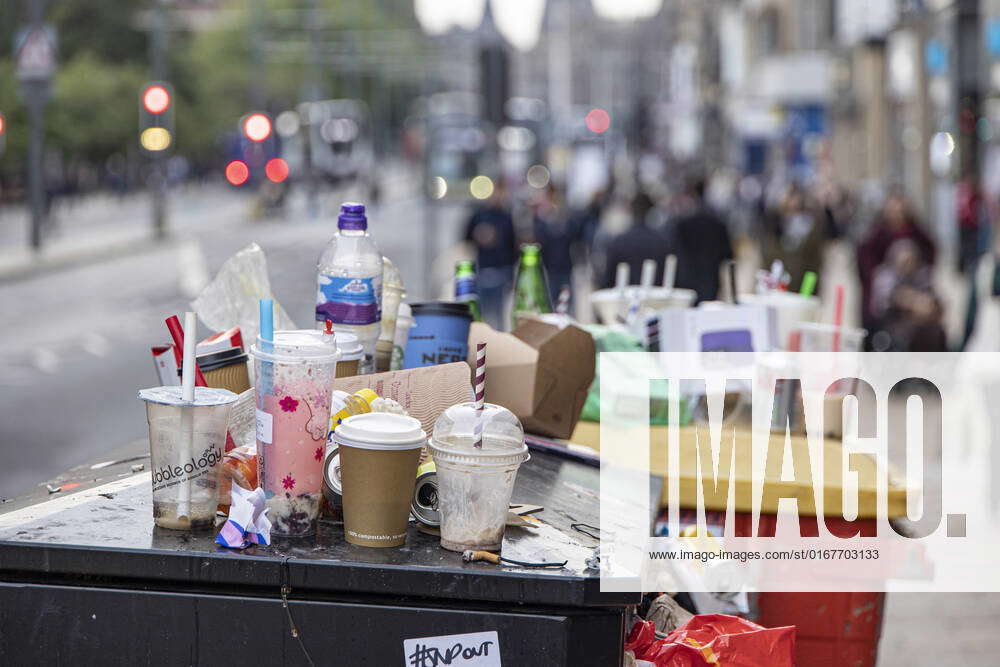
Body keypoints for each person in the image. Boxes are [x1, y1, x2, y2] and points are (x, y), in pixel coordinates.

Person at [858, 190, 936, 336]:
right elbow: (868, 267)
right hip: (886, 294)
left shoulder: (917, 233)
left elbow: (930, 256)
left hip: (915, 289)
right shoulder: (876, 236)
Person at [662, 179, 734, 303]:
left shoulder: (682, 223)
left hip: (687, 278)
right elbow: (727, 254)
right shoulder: (717, 223)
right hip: (711, 278)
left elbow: (674, 251)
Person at [463, 182, 517, 328]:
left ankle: (495, 348)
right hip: (483, 271)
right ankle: (484, 349)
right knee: (482, 316)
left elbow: (513, 247)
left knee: (498, 316)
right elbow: (466, 237)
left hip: (501, 271)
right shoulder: (480, 215)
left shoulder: (506, 217)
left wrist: (511, 276)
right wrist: (478, 235)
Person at [761, 183, 826, 292]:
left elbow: (815, 262)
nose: (793, 203)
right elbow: (768, 258)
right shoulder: (775, 226)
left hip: (803, 281)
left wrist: (809, 290)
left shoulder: (810, 225)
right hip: (780, 283)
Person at [601, 191, 673, 290]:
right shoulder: (662, 241)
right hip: (655, 299)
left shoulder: (619, 241)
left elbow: (608, 280)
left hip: (625, 299)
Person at [532, 184, 583, 308]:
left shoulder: (566, 217)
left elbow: (575, 234)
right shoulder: (541, 219)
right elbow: (539, 239)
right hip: (549, 268)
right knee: (550, 304)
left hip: (565, 266)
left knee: (567, 304)